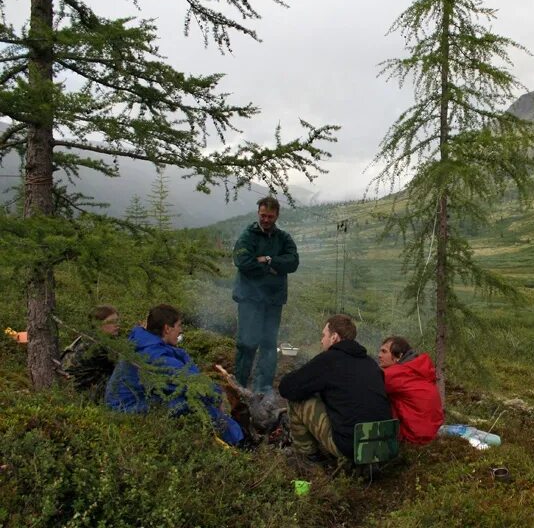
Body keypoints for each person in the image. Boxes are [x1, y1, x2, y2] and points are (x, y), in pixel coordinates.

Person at [105, 304, 243, 445]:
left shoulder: (147, 342)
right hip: (126, 408)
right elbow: (190, 383)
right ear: (167, 328)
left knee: (195, 398)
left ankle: (233, 433)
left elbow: (186, 370)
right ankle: (239, 441)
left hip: (137, 400)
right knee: (192, 403)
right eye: (178, 326)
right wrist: (217, 394)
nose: (181, 330)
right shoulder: (153, 355)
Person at [278, 314, 392, 463]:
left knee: (297, 401)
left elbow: (287, 388)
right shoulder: (370, 363)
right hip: (384, 446)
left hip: (352, 448)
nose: (321, 340)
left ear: (334, 337)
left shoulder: (329, 360)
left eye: (324, 335)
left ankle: (308, 458)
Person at [232, 196, 299, 393]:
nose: (266, 220)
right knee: (247, 342)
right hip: (250, 298)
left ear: (277, 215)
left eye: (270, 216)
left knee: (269, 344)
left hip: (273, 300)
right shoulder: (248, 236)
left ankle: (264, 389)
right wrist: (272, 270)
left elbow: (293, 262)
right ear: (258, 214)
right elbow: (243, 262)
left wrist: (268, 260)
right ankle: (240, 386)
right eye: (263, 215)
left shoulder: (283, 238)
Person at [378, 336, 444, 444]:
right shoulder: (418, 369)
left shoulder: (395, 374)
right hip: (432, 433)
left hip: (413, 437)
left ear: (398, 356)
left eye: (384, 352)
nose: (379, 355)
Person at [59, 305, 121, 402]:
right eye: (111, 322)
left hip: (69, 389)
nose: (117, 325)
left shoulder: (87, 337)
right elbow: (127, 363)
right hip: (83, 394)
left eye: (117, 321)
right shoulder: (99, 345)